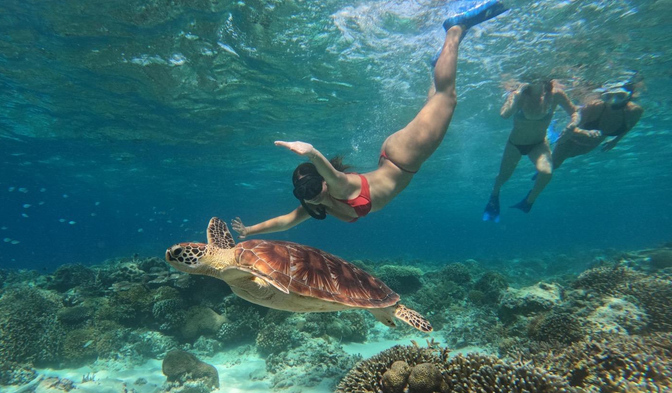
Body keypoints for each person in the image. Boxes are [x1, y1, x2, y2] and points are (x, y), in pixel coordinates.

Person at [231, 0, 510, 239]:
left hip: (403, 158)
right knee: (434, 102)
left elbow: (327, 171)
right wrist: (249, 231)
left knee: (446, 97)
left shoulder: (339, 184)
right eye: (304, 191)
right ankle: (437, 62)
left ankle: (455, 29)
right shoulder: (322, 203)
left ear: (324, 181)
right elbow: (285, 221)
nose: (311, 194)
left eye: (313, 186)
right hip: (396, 157)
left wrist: (312, 152)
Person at [481, 79, 580, 222]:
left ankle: (528, 202)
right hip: (515, 144)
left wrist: (573, 125)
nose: (534, 79)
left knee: (547, 172)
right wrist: (517, 94)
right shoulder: (519, 95)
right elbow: (504, 114)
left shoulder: (556, 95)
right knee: (503, 177)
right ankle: (494, 197)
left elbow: (575, 112)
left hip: (538, 143)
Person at [550, 80, 643, 170]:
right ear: (603, 97)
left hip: (587, 149)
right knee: (553, 165)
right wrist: (585, 133)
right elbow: (570, 129)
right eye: (608, 97)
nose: (614, 101)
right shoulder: (594, 107)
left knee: (554, 165)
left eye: (620, 96)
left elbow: (629, 126)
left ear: (629, 96)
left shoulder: (634, 111)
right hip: (567, 143)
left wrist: (615, 141)